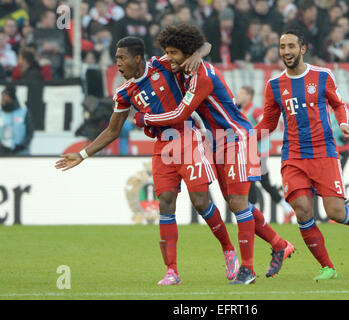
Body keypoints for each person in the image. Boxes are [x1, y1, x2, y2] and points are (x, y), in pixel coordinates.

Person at [55, 36, 240, 286]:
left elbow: (203, 45)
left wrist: (198, 55)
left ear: (138, 58)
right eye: (116, 58)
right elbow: (112, 130)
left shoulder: (162, 64)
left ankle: (228, 249)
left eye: (122, 58)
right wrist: (83, 154)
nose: (118, 63)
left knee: (200, 201)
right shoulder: (124, 92)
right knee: (165, 203)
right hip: (163, 145)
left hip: (188, 136)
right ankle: (171, 271)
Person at [134, 23, 295, 285]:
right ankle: (279, 244)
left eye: (174, 52)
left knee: (239, 205)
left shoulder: (201, 76)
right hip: (218, 142)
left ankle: (248, 270)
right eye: (168, 52)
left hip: (237, 138)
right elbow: (201, 46)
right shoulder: (186, 66)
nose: (169, 57)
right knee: (234, 204)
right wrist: (199, 51)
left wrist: (144, 118)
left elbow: (181, 114)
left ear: (186, 51)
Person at [254, 28, 349, 281]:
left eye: (291, 46)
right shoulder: (275, 85)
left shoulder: (322, 76)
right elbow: (268, 123)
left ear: (303, 48)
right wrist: (242, 136)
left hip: (324, 152)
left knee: (334, 211)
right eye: (282, 47)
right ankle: (328, 267)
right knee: (302, 210)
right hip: (293, 156)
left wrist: (343, 122)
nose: (286, 52)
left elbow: (337, 104)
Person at [235, 85, 295, 223]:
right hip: (250, 152)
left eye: (242, 93)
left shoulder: (255, 111)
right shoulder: (242, 110)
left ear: (249, 96)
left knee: (251, 181)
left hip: (257, 153)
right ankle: (287, 209)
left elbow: (266, 125)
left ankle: (255, 215)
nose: (238, 95)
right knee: (264, 182)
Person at [0, 85, 34, 155]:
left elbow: (30, 132)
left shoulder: (23, 112)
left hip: (21, 152)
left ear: (11, 98)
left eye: (5, 96)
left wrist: (22, 146)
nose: (2, 99)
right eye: (2, 96)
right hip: (2, 153)